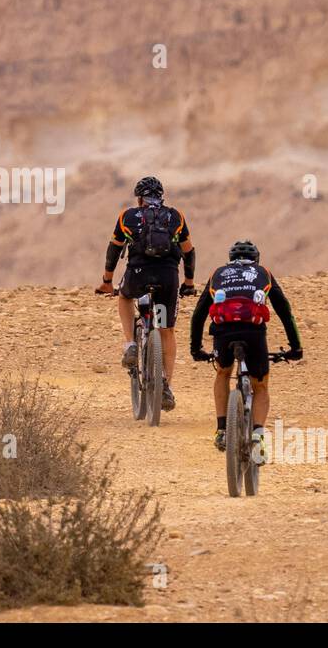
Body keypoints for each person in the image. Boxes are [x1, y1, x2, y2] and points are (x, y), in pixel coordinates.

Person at [188, 241, 302, 457]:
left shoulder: (218, 273)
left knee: (223, 373)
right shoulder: (263, 273)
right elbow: (285, 311)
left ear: (230, 259)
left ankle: (222, 429)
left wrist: (196, 349)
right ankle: (258, 434)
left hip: (224, 333)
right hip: (253, 333)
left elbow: (199, 314)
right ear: (256, 259)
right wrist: (296, 348)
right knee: (260, 386)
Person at [95, 176, 197, 411]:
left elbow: (114, 250)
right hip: (168, 277)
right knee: (166, 330)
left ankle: (131, 343)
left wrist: (107, 282)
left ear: (139, 199)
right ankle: (166, 387)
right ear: (161, 197)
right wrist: (189, 282)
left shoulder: (128, 216)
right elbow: (189, 252)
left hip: (138, 274)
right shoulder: (175, 217)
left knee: (124, 296)